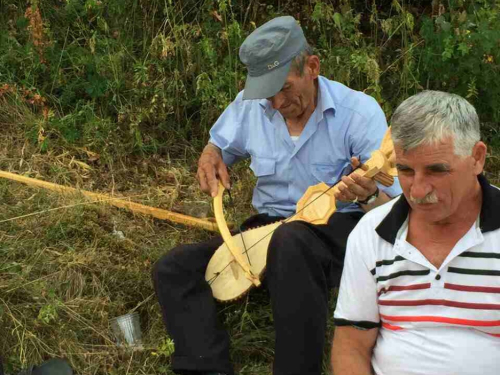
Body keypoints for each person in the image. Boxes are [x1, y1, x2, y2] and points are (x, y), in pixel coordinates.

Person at [153, 16, 401, 375]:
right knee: (173, 268)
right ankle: (205, 368)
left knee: (291, 240)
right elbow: (219, 143)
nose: (277, 101)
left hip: (336, 232)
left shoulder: (358, 113)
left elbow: (393, 209)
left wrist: (367, 195)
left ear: (312, 67)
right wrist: (211, 155)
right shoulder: (252, 105)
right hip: (266, 231)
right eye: (268, 92)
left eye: (285, 88)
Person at [331, 90, 500, 375]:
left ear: (477, 158)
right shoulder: (372, 232)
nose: (418, 191)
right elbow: (351, 345)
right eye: (405, 171)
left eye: (437, 170)